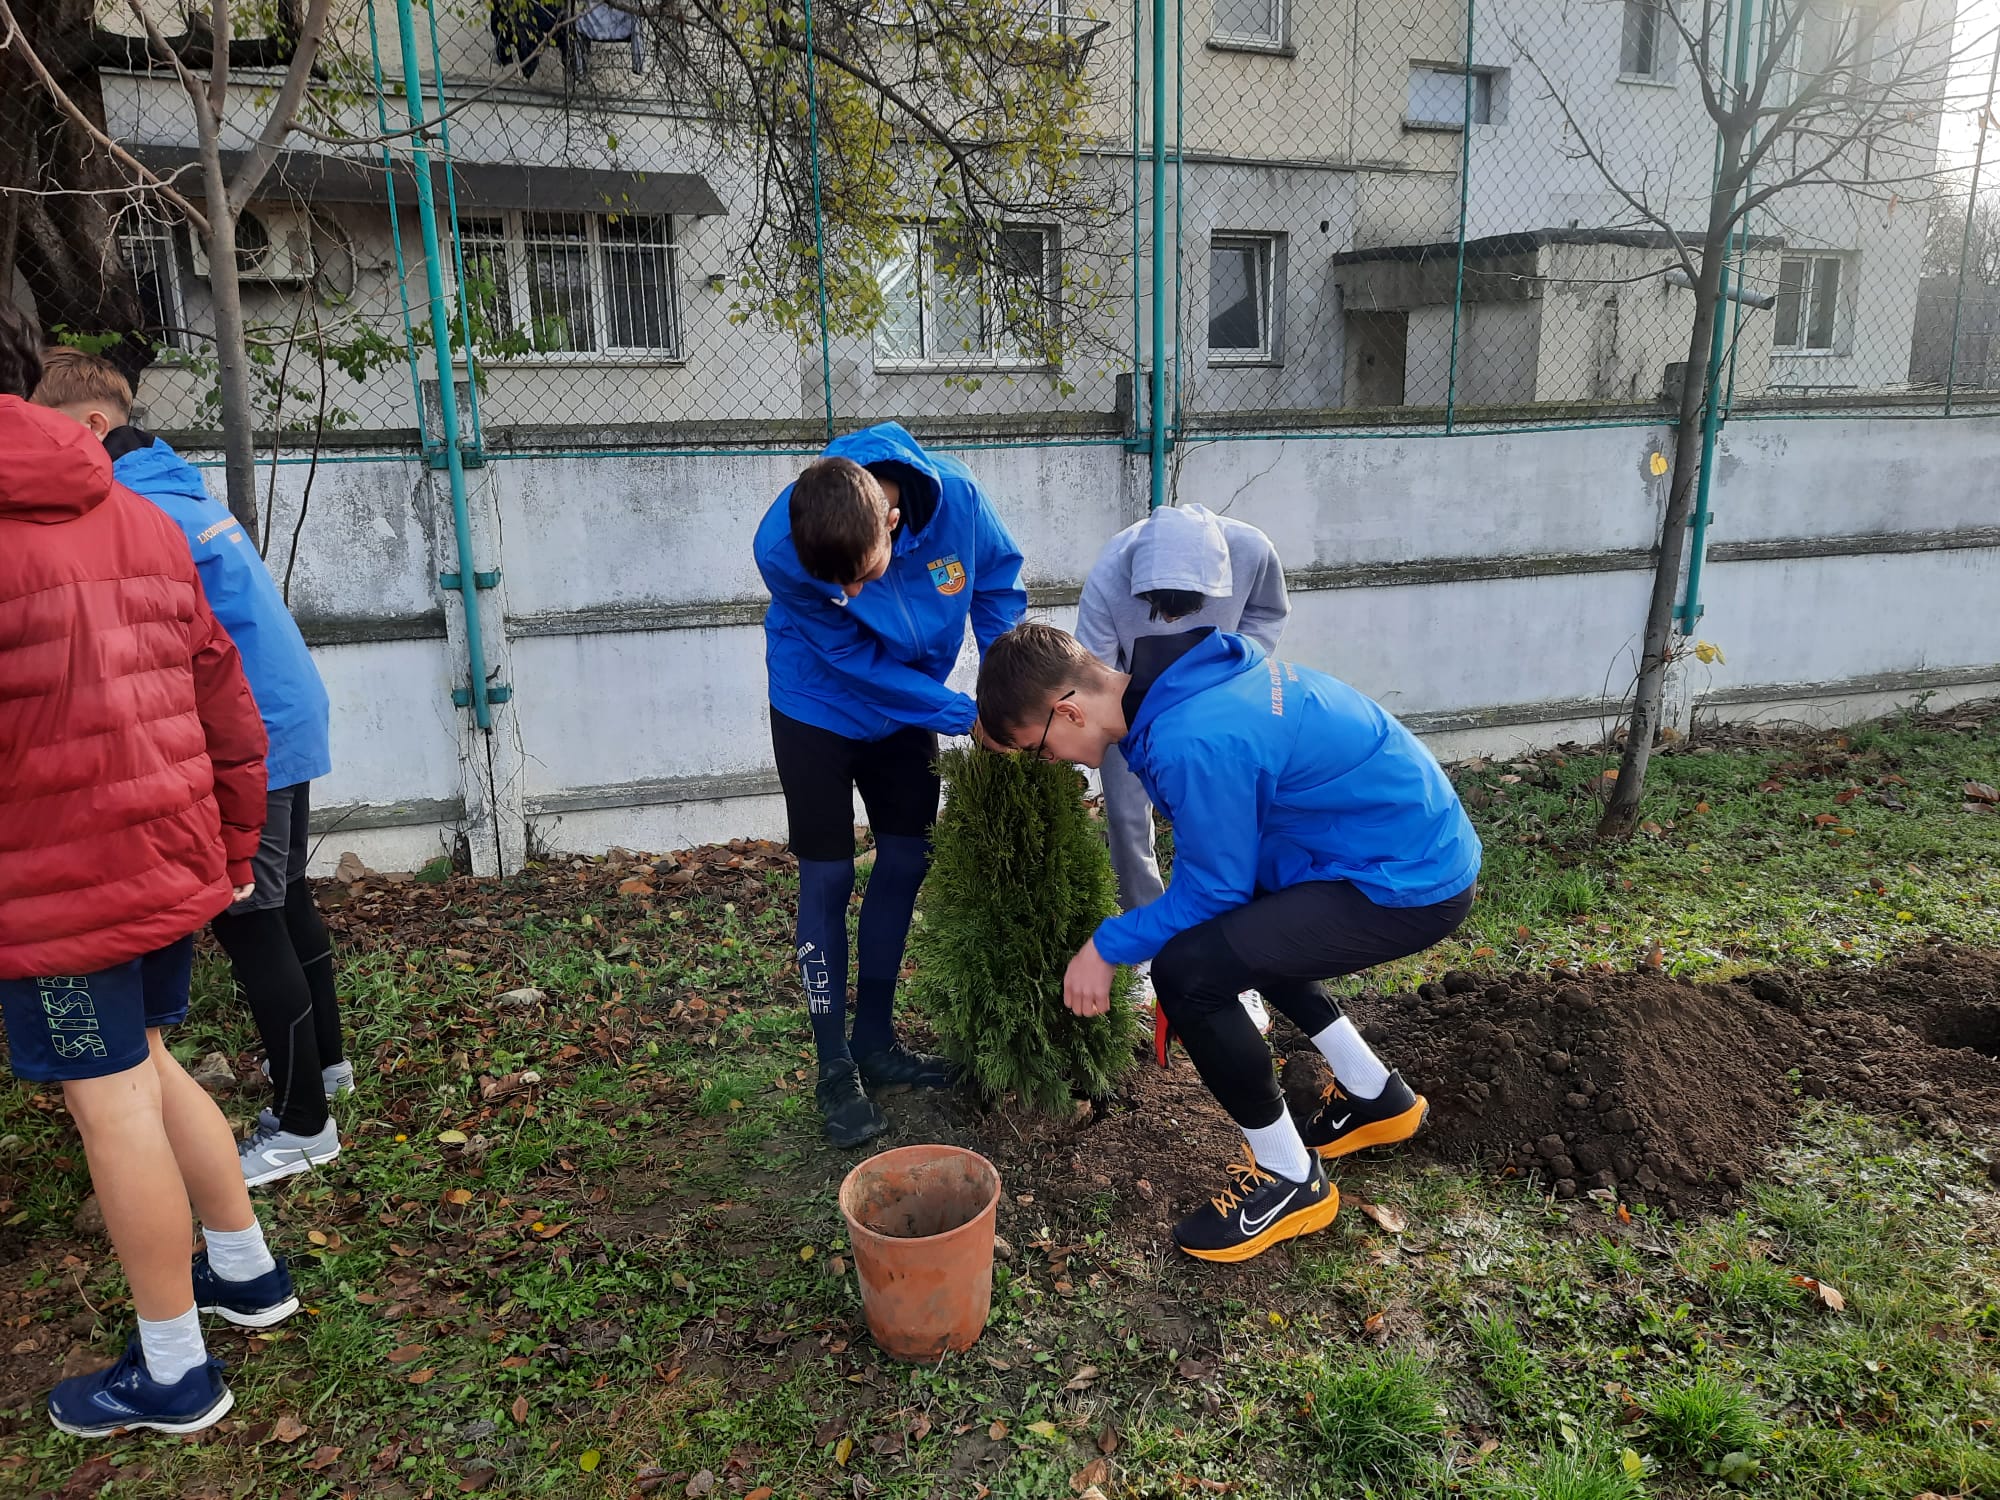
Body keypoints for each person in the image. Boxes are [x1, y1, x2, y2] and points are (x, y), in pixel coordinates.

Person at [0, 305, 300, 1437]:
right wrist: (226, 845)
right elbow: (223, 694)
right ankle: (244, 1267)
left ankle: (174, 1371)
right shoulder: (138, 518)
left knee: (110, 1101)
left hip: (55, 885)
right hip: (159, 854)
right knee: (152, 1062)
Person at [975, 621, 1480, 1263]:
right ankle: (1376, 1095)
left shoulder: (1192, 737)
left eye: (1039, 748)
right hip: (1386, 848)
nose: (1053, 763)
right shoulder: (1182, 689)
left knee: (1189, 972)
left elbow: (1213, 892)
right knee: (1242, 939)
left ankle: (1291, 1180)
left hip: (1408, 881)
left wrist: (1106, 944)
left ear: (1067, 711)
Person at [33, 348, 347, 1188]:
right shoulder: (178, 483)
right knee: (290, 904)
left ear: (94, 426)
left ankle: (304, 1125)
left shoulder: (131, 506)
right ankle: (328, 1067)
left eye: (55, 435)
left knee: (251, 921)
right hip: (288, 711)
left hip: (250, 731)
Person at [754, 422, 1028, 1146]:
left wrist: (1006, 690)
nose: (848, 592)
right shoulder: (780, 551)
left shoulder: (960, 502)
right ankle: (833, 1064)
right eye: (835, 583)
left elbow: (998, 586)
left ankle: (875, 1040)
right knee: (828, 878)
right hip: (818, 704)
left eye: (860, 575)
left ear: (894, 519)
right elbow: (850, 661)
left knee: (907, 859)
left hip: (907, 703)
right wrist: (960, 715)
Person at [1075, 502, 1289, 1026]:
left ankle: (1235, 964)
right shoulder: (1110, 570)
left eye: (1181, 609)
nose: (1169, 619)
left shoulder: (1252, 551)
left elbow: (1266, 616)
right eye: (1157, 608)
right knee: (1127, 820)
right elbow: (1095, 666)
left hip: (1220, 713)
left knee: (1228, 832)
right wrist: (1139, 719)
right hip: (1133, 716)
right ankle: (1150, 950)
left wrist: (1230, 678)